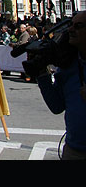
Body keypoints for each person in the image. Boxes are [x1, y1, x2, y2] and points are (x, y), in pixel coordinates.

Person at [36, 11, 86, 160]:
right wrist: (41, 74)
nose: (71, 30)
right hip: (74, 150)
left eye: (78, 26)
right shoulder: (68, 65)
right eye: (71, 25)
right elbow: (56, 106)